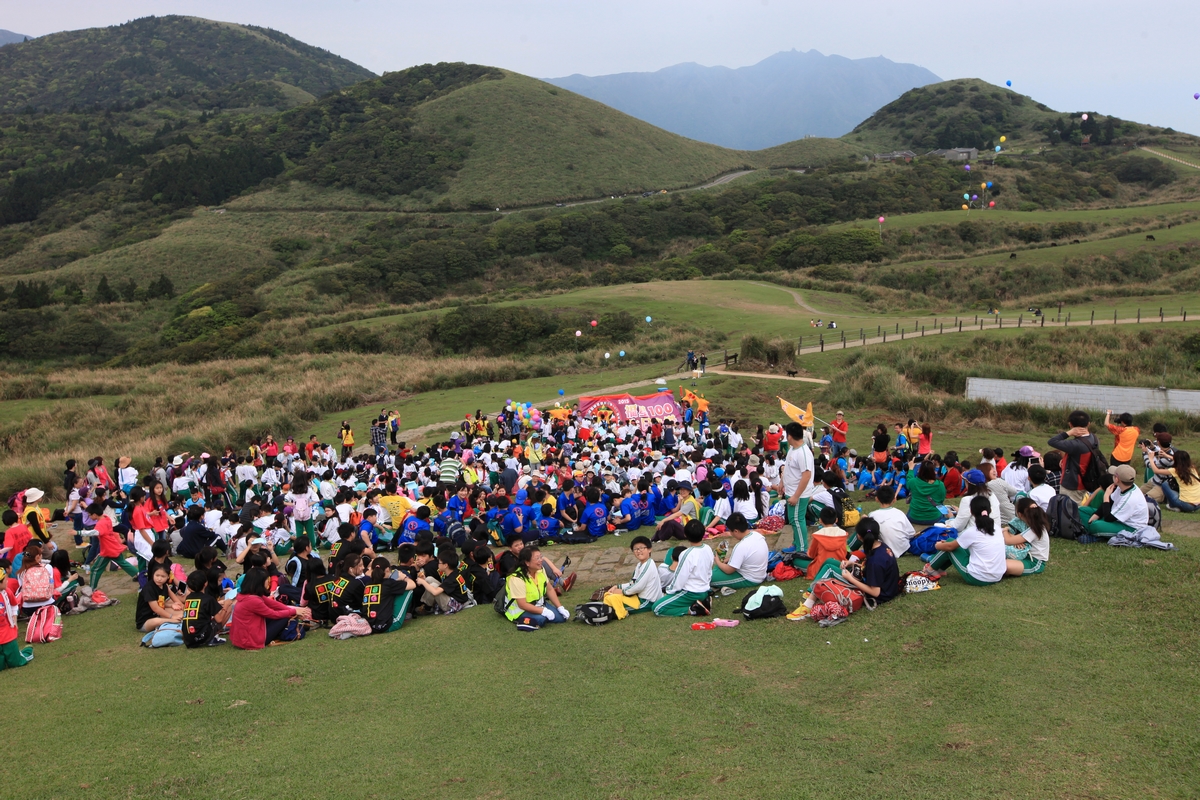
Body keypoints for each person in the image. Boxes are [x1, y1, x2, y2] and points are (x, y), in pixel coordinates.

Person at [933, 496, 1025, 584]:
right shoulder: (996, 528)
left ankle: (930, 569)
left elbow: (950, 546)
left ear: (971, 512)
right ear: (990, 511)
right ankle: (939, 570)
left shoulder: (972, 531)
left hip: (977, 578)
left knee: (949, 543)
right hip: (998, 576)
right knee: (952, 544)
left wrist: (937, 545)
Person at [229, 569, 307, 650]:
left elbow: (273, 604)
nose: (268, 582)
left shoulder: (247, 595)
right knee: (284, 617)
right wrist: (294, 611)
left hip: (242, 638)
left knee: (284, 613)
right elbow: (273, 614)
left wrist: (296, 610)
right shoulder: (253, 600)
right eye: (267, 580)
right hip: (252, 640)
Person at [651, 520, 713, 617]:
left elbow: (680, 577)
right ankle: (701, 602)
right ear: (703, 533)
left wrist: (669, 591)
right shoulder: (708, 548)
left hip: (690, 593)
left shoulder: (686, 554)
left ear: (685, 534)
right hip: (704, 590)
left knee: (657, 608)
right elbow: (709, 571)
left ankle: (694, 610)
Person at [502, 546, 568, 630]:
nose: (541, 560)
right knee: (541, 619)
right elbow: (522, 604)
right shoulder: (516, 578)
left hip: (538, 604)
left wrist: (560, 607)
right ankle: (521, 620)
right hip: (520, 610)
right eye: (537, 558)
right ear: (527, 563)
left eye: (541, 556)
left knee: (561, 618)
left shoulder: (540, 570)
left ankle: (537, 616)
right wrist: (543, 611)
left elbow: (550, 589)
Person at [601, 536, 662, 619]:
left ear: (649, 549)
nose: (639, 551)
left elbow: (638, 587)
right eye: (636, 549)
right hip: (638, 597)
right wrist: (617, 586)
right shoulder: (640, 565)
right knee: (610, 596)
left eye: (642, 548)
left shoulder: (648, 565)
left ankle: (620, 613)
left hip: (647, 602)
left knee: (612, 605)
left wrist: (622, 591)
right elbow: (633, 582)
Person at [1079, 464, 1149, 538]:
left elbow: (1108, 518)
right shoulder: (1121, 486)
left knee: (1096, 525)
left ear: (1117, 479)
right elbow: (1109, 504)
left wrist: (1106, 497)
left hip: (1130, 527)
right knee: (1081, 510)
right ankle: (1089, 528)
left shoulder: (1130, 498)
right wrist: (1093, 518)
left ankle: (1090, 530)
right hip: (1116, 518)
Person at [1048, 411, 1101, 503]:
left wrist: (1068, 433)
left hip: (1073, 484)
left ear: (1070, 424)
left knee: (1068, 510)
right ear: (1088, 424)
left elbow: (1052, 441)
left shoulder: (1075, 444)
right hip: (1087, 479)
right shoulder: (1094, 438)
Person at [87, 501, 140, 590]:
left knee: (95, 569)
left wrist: (78, 532)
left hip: (107, 550)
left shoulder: (100, 523)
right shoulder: (106, 518)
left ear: (95, 515)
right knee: (123, 563)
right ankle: (140, 575)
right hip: (113, 547)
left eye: (89, 515)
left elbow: (96, 532)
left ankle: (92, 589)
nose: (89, 516)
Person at [710, 513, 768, 591]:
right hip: (758, 573)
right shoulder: (757, 535)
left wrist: (717, 561)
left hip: (750, 578)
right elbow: (749, 554)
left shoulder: (741, 546)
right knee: (720, 567)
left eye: (730, 531)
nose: (730, 534)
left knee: (708, 578)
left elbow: (729, 570)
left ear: (736, 531)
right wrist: (729, 560)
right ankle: (718, 569)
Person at [781, 422, 815, 552]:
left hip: (799, 494)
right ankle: (796, 543)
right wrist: (782, 482)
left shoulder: (803, 453)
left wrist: (796, 496)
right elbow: (788, 468)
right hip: (791, 490)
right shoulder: (792, 449)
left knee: (797, 520)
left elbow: (806, 475)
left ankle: (801, 549)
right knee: (793, 519)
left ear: (789, 436)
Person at [361, 557, 416, 633]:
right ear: (387, 570)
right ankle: (405, 614)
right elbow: (412, 585)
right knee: (408, 591)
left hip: (369, 624)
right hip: (386, 626)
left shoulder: (368, 584)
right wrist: (404, 577)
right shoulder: (389, 584)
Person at [181, 570, 233, 648]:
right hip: (202, 637)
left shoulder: (188, 598)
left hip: (188, 639)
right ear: (206, 583)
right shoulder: (208, 599)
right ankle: (212, 638)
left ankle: (209, 636)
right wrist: (226, 605)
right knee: (228, 608)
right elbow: (219, 620)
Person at [414, 550, 472, 615]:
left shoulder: (451, 579)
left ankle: (427, 608)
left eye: (439, 563)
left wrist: (423, 582)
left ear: (445, 565)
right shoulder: (454, 573)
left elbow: (435, 592)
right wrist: (424, 580)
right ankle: (428, 605)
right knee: (429, 579)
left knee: (433, 586)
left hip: (455, 605)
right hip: (454, 598)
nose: (437, 564)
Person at [1003, 498, 1050, 573]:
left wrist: (1005, 530)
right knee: (999, 562)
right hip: (1025, 556)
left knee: (1003, 565)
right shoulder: (1036, 526)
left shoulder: (1034, 530)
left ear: (1020, 514)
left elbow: (1007, 541)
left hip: (1034, 562)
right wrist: (1015, 540)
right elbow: (1014, 537)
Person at [867, 485, 915, 558]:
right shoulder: (899, 513)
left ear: (876, 499)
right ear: (894, 499)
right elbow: (911, 533)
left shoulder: (872, 515)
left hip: (885, 550)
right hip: (904, 549)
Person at [1147, 447, 1200, 512]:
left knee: (1165, 484)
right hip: (1198, 505)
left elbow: (1156, 471)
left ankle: (1172, 505)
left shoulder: (1175, 470)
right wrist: (1166, 455)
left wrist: (1151, 458)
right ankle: (1187, 507)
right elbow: (1182, 461)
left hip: (1187, 505)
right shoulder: (1192, 468)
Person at [135, 563, 184, 633]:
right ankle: (175, 622)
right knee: (162, 620)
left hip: (159, 614)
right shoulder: (149, 588)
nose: (159, 579)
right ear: (153, 574)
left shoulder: (165, 586)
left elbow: (176, 600)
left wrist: (184, 608)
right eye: (157, 575)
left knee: (182, 613)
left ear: (168, 577)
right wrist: (171, 617)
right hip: (146, 622)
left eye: (163, 576)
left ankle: (178, 621)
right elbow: (155, 608)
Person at [905, 460, 947, 529]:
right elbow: (941, 500)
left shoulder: (913, 482)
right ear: (933, 471)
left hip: (914, 517)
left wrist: (911, 469)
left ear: (920, 470)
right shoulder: (940, 485)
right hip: (934, 518)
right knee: (942, 507)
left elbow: (908, 481)